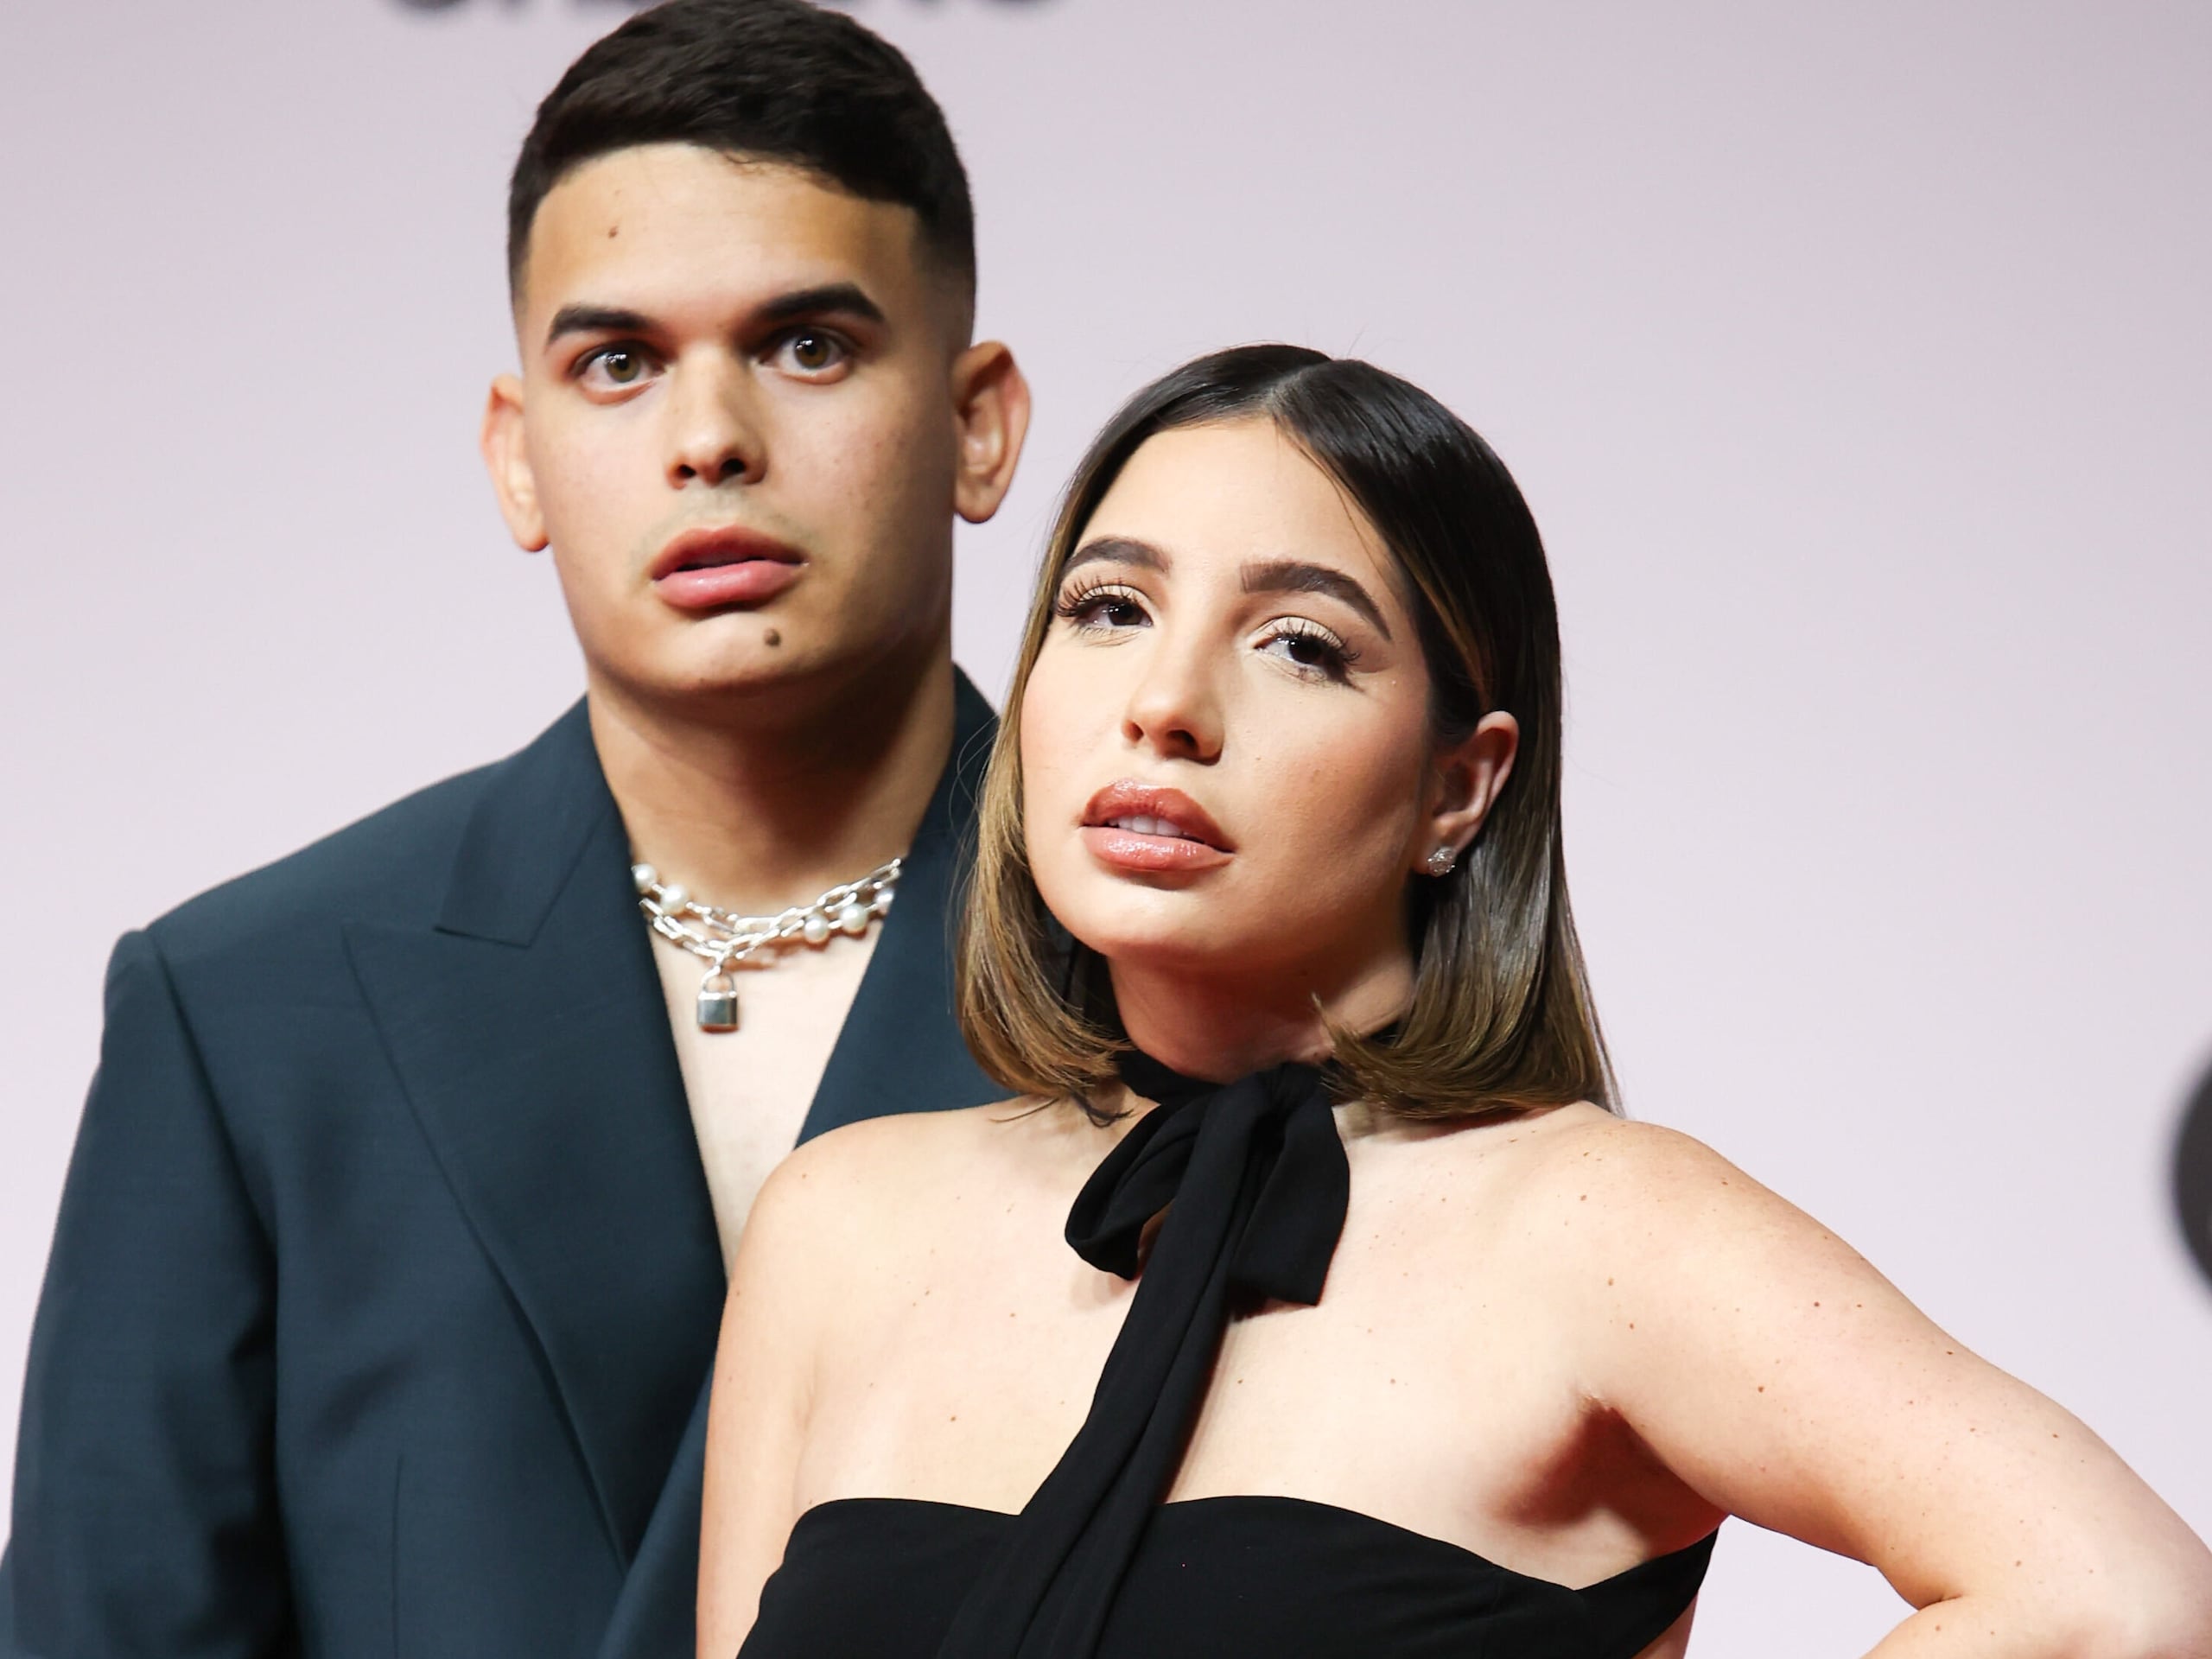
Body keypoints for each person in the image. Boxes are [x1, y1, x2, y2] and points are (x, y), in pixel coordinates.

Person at [697, 345, 2212, 1658]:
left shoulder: (1595, 1229)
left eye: (1301, 646)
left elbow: (2119, 1601)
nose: (1164, 704)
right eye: (1109, 609)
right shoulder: (840, 1224)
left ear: (1458, 788)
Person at [1, 2, 1028, 1655]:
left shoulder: (1202, 972)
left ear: (978, 422)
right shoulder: (252, 1011)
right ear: (519, 456)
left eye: (807, 347)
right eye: (618, 364)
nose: (711, 439)